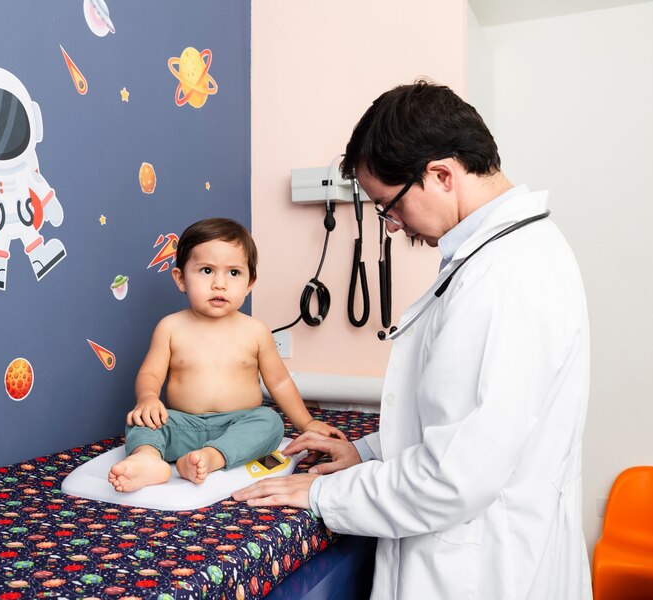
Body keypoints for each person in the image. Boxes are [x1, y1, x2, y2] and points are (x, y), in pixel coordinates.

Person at [233, 80, 591, 599]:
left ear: (442, 175)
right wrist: (367, 451)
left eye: (389, 206)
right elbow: (460, 424)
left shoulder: (506, 278)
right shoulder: (502, 257)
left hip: (482, 572)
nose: (393, 226)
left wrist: (321, 491)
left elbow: (452, 479)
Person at [109, 217, 346, 493]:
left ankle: (210, 458)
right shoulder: (170, 327)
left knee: (269, 422)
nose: (219, 284)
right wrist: (148, 399)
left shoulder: (256, 331)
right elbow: (150, 373)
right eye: (206, 270)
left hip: (240, 423)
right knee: (139, 421)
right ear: (181, 279)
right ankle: (147, 460)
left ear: (249, 283)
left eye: (233, 273)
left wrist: (307, 423)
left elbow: (279, 382)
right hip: (183, 424)